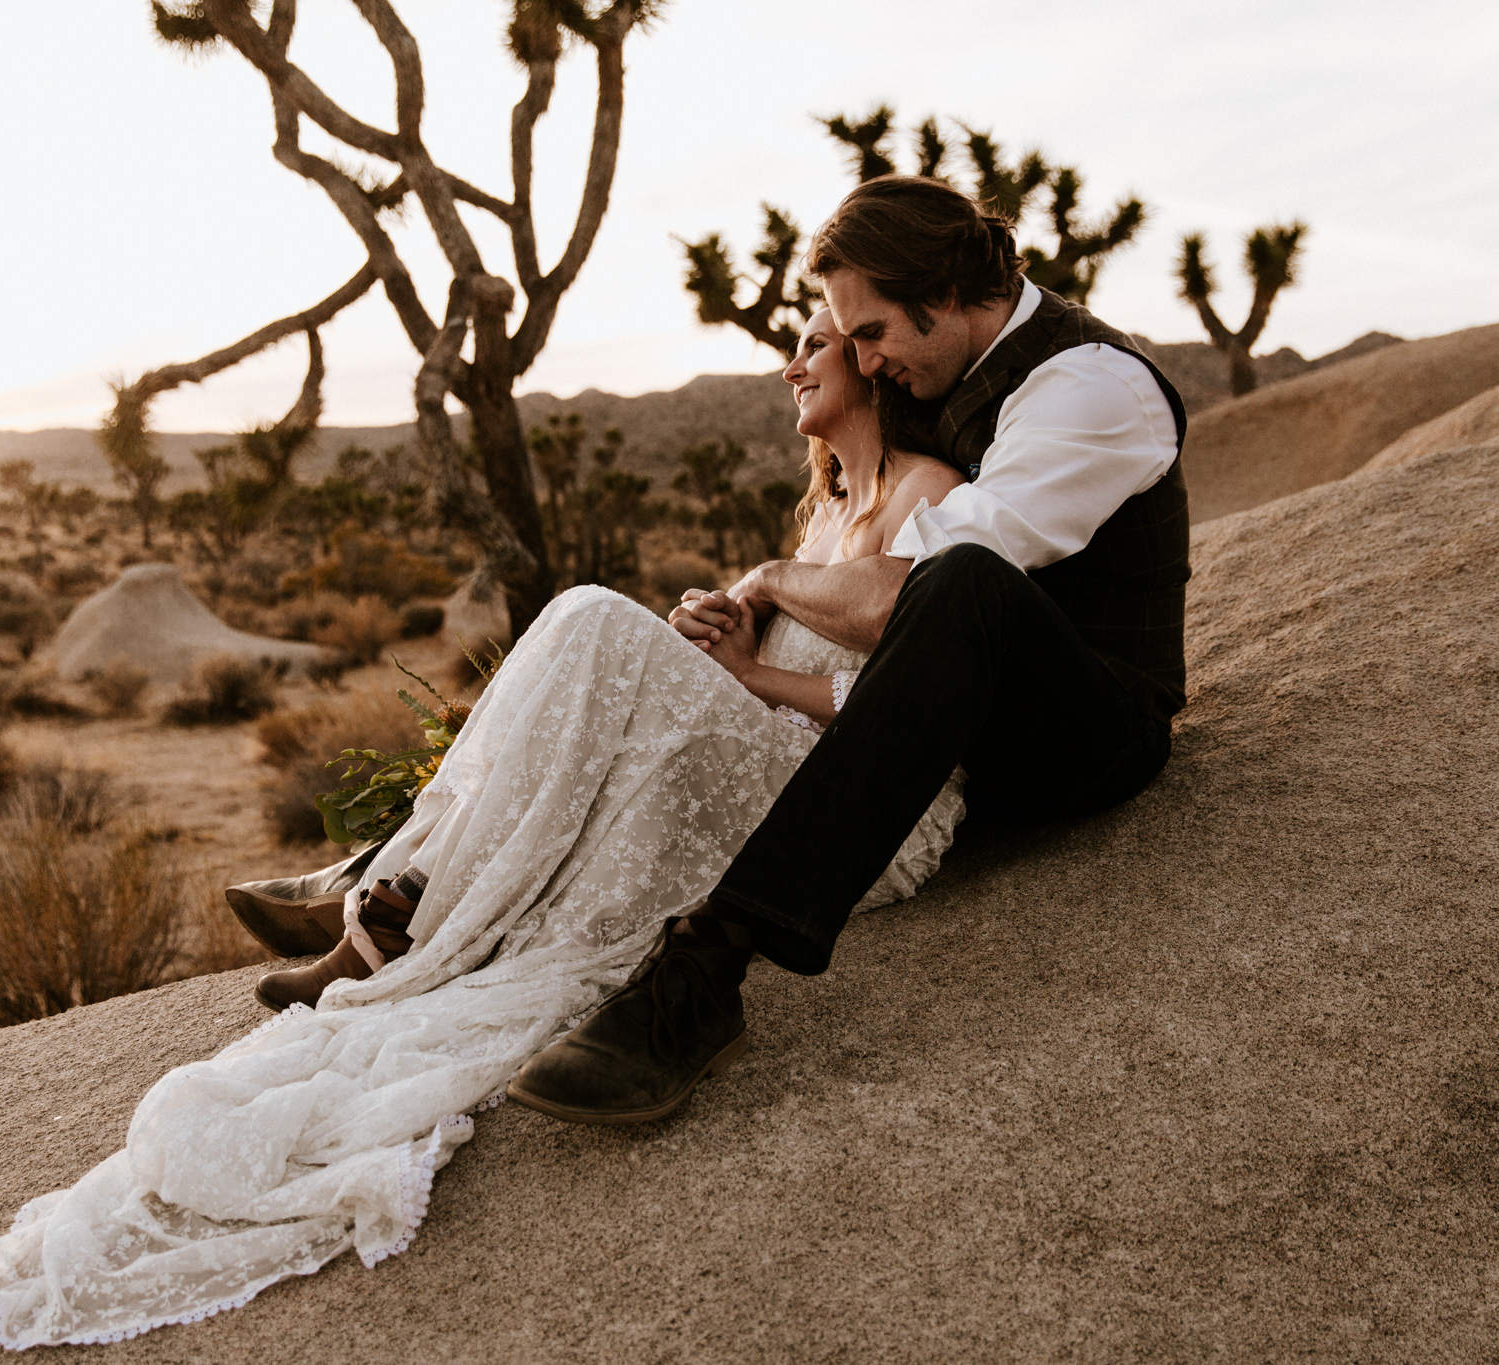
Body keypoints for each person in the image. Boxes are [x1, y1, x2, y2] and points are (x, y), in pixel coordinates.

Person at [0, 303, 969, 1349]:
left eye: (816, 341)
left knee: (588, 621)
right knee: (601, 646)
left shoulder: (930, 495)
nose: (791, 362)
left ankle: (391, 907)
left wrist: (748, 666)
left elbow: (917, 696)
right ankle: (395, 902)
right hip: (784, 767)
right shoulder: (825, 517)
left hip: (866, 813)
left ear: (873, 360)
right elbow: (784, 672)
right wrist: (727, 647)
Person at [505, 174, 1189, 1124]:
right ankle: (435, 872)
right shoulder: (957, 369)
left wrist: (776, 578)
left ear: (946, 295)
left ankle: (705, 970)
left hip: (1087, 729)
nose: (862, 361)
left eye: (870, 333)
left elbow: (903, 595)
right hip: (957, 727)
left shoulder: (1089, 387)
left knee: (961, 577)